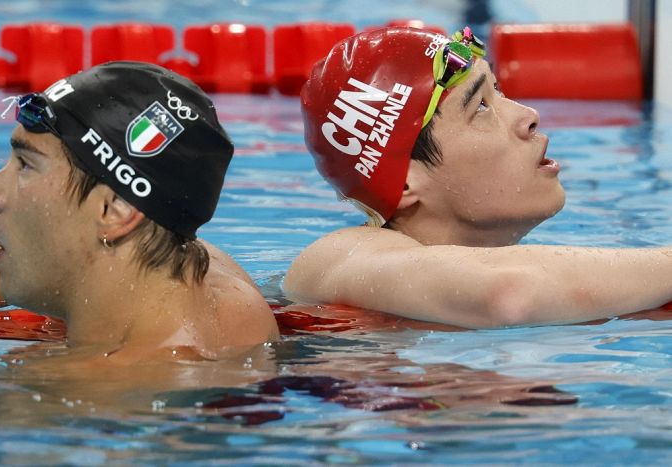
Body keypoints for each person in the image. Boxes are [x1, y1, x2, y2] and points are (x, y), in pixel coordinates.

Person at [0, 62, 278, 361]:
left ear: (114, 211)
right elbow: (47, 260)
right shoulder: (199, 268)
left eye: (25, 165)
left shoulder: (100, 390)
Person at [283, 26, 672, 328]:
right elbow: (509, 293)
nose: (527, 115)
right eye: (481, 107)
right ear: (404, 183)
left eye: (499, 91)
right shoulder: (341, 258)